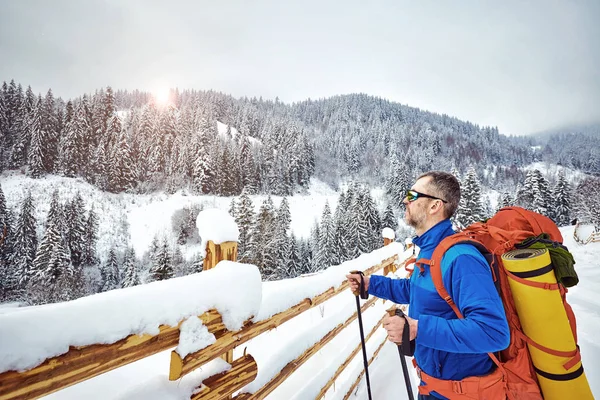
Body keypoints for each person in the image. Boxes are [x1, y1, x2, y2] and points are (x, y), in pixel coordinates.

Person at [347, 171, 510, 399]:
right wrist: (369, 284)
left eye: (412, 195)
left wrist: (417, 328)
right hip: (433, 387)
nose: (405, 200)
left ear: (435, 206)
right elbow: (417, 291)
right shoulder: (432, 250)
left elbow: (493, 332)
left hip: (462, 394)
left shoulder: (461, 257)